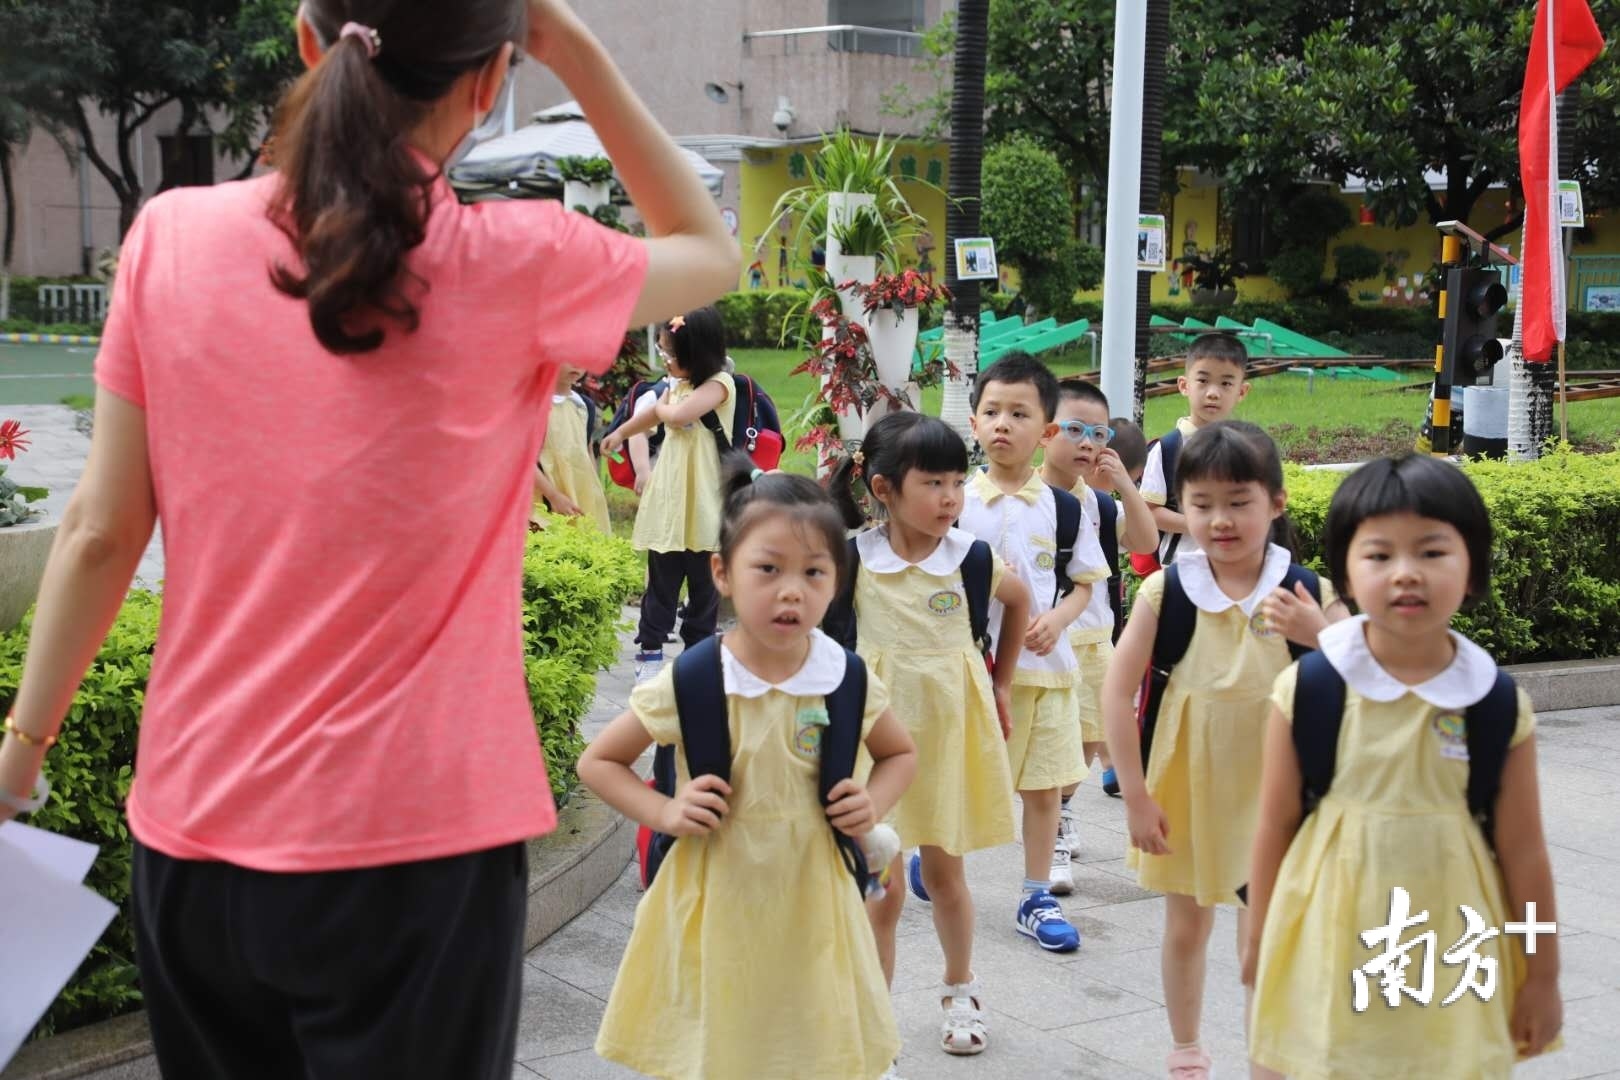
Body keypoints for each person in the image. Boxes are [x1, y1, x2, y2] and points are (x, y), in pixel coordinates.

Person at [0, 2, 738, 1076]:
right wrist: (567, 44)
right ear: (487, 83)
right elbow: (709, 248)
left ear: (310, 41)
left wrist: (23, 749)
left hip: (199, 835)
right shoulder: (520, 259)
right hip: (424, 854)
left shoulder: (171, 236)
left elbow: (99, 534)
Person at [579, 465, 917, 1080]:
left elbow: (900, 753)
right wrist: (664, 810)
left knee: (809, 1032)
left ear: (837, 581)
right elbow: (599, 761)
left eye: (813, 572)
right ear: (722, 573)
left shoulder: (844, 677)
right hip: (718, 893)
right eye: (768, 568)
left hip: (813, 894)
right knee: (724, 1033)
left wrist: (873, 801)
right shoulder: (695, 679)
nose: (792, 591)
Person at [1244, 455, 1562, 1078]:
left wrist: (1542, 975)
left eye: (1432, 552)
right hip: (1330, 934)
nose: (1406, 572)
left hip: (1454, 941)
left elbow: (1525, 853)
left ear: (1473, 568)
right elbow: (1274, 826)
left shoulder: (1494, 704)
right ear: (1346, 573)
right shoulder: (1310, 690)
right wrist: (1260, 939)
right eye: (1380, 554)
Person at [1102, 421, 1348, 1080]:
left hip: (1281, 796)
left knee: (1263, 935)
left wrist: (1320, 634)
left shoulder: (1306, 592)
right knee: (1187, 925)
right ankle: (1186, 1050)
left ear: (1277, 502)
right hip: (1189, 788)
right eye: (1202, 504)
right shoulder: (1169, 590)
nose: (1220, 520)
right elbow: (1117, 693)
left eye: (1239, 502)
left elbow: (1373, 680)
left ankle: (1268, 1058)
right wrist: (1135, 795)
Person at [827, 412, 1029, 1062]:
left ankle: (960, 988)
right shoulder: (854, 559)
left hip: (946, 739)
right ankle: (873, 1030)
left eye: (957, 482)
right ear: (883, 489)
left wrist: (1002, 684)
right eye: (933, 483)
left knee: (946, 874)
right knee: (882, 890)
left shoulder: (970, 557)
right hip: (874, 746)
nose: (950, 498)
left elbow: (1019, 601)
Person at [958, 351, 1110, 953]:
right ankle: (937, 858)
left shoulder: (1065, 508)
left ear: (1045, 431)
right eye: (992, 411)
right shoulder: (955, 503)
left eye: (1019, 414)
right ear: (973, 422)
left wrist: (1058, 619)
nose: (1003, 424)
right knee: (964, 779)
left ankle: (1035, 894)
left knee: (1044, 789)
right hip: (973, 674)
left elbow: (1084, 583)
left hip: (1046, 672)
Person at [1039, 382, 1157, 880]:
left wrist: (1125, 485)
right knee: (1049, 745)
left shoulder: (1102, 505)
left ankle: (1062, 814)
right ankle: (1050, 829)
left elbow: (1146, 541)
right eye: (1074, 429)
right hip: (1044, 641)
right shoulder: (1026, 498)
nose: (1086, 443)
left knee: (1088, 740)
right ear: (1045, 431)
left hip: (1095, 640)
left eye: (1098, 434)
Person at [602, 306, 732, 680]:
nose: (665, 360)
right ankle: (650, 654)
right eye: (664, 352)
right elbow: (654, 416)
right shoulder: (676, 385)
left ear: (697, 353)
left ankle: (697, 661)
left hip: (705, 505)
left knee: (704, 591)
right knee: (661, 584)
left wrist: (661, 402)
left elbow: (675, 416)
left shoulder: (720, 384)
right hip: (671, 503)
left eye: (670, 354)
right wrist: (621, 432)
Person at [1141, 333, 1250, 566]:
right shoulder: (1167, 449)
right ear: (1184, 385)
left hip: (1236, 566)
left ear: (1241, 391)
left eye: (1226, 383)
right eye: (1203, 380)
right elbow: (1150, 511)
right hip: (1181, 566)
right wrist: (1202, 525)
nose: (1213, 393)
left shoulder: (1248, 448)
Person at [535, 363, 611, 531]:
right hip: (543, 496)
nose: (577, 364)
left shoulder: (584, 405)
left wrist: (594, 490)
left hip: (579, 494)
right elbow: (522, 461)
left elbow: (587, 450)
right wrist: (553, 496)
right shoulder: (534, 405)